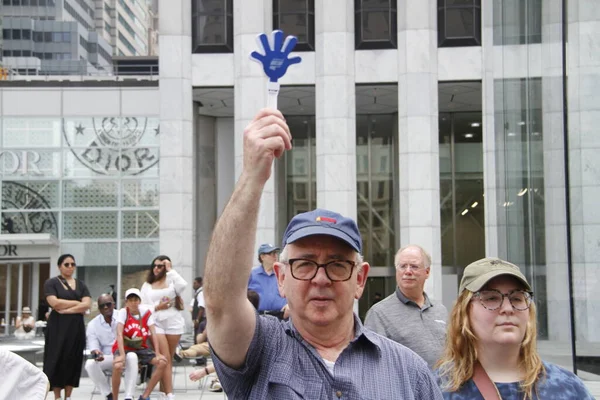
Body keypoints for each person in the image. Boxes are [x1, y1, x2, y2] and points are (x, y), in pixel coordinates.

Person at [203, 108, 443, 399]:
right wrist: (252, 177)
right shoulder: (259, 350)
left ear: (360, 279)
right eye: (304, 264)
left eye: (337, 265)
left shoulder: (410, 372)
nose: (321, 279)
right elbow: (221, 304)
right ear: (280, 277)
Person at [436, 257, 594, 399]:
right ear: (464, 312)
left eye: (517, 298)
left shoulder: (567, 387)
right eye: (491, 298)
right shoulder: (437, 388)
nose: (508, 308)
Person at [364, 245, 447, 368]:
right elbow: (371, 364)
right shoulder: (378, 313)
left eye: (414, 266)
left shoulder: (440, 310)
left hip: (444, 386)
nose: (408, 271)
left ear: (427, 272)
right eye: (402, 266)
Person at [187, 290, 260, 393]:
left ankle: (217, 380)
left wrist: (204, 371)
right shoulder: (243, 323)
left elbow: (230, 360)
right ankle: (182, 353)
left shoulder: (247, 328)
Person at [43, 253, 91, 400]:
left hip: (75, 328)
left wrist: (68, 309)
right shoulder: (51, 283)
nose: (70, 267)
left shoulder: (81, 284)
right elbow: (54, 303)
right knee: (56, 358)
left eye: (72, 264)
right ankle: (57, 396)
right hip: (58, 328)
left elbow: (87, 304)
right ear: (59, 266)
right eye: (66, 264)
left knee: (73, 358)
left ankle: (68, 396)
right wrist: (77, 303)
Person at [140, 255, 187, 399]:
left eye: (160, 266)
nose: (156, 268)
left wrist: (170, 270)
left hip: (173, 322)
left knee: (169, 359)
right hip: (156, 322)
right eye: (154, 265)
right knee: (164, 357)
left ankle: (163, 392)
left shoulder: (172, 281)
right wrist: (157, 307)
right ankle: (170, 394)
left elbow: (183, 285)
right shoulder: (147, 285)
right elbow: (142, 307)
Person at [112, 288, 167, 400]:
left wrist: (157, 353)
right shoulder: (123, 312)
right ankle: (115, 397)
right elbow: (119, 333)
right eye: (130, 300)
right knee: (117, 366)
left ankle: (145, 395)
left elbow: (153, 333)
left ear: (140, 301)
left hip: (140, 347)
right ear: (126, 302)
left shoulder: (145, 313)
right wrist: (122, 355)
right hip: (125, 346)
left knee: (162, 362)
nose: (133, 303)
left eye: (136, 300)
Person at [85, 294, 136, 400]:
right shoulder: (92, 325)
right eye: (102, 306)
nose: (105, 307)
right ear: (99, 309)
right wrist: (97, 353)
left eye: (108, 304)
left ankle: (129, 396)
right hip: (107, 357)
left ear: (113, 304)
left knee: (132, 356)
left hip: (124, 354)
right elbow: (93, 346)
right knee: (89, 364)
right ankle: (108, 394)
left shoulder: (124, 316)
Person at [248, 243, 289, 319]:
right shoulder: (251, 275)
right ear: (262, 257)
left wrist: (289, 305)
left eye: (276, 253)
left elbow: (293, 291)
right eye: (271, 253)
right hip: (258, 317)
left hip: (281, 317)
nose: (275, 256)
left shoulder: (283, 274)